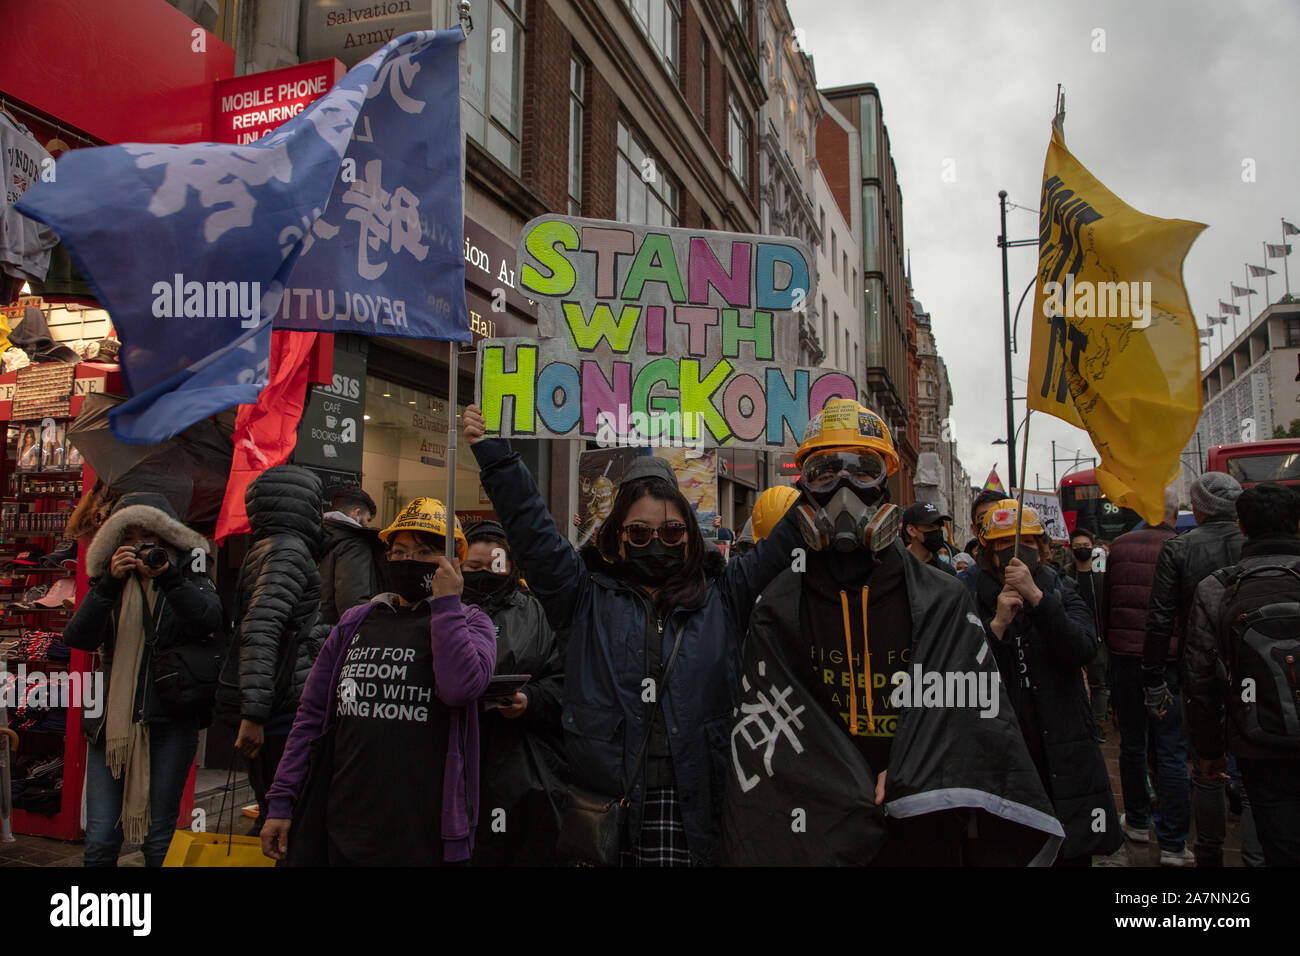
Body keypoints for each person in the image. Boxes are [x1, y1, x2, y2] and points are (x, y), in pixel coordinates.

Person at [463, 405, 807, 867]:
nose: (657, 543)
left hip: (700, 816)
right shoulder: (581, 598)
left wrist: (834, 476)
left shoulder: (724, 596)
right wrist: (496, 455)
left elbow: (785, 541)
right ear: (616, 538)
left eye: (671, 531)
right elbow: (531, 528)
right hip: (608, 817)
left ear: (690, 536)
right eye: (640, 533)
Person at [725, 404, 1064, 866]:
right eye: (824, 473)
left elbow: (969, 716)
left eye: (862, 471)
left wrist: (911, 770)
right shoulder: (778, 604)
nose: (844, 490)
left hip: (921, 830)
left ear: (885, 479)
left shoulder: (942, 599)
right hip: (818, 830)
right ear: (802, 488)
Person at [262, 498, 496, 865]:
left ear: (453, 561)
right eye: (399, 551)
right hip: (344, 820)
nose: (408, 561)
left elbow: (460, 688)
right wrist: (282, 801)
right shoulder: (357, 621)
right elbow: (311, 715)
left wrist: (447, 606)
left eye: (424, 551)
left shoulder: (471, 623)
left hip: (424, 832)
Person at [63, 492, 222, 866]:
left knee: (158, 841)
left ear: (168, 539)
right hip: (109, 726)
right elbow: (78, 638)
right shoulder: (106, 578)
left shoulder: (190, 571)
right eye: (129, 538)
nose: (139, 547)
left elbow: (208, 620)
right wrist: (108, 586)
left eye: (148, 538)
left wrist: (168, 577)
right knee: (100, 840)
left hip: (169, 719)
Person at [970, 499, 1122, 866]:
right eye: (1004, 546)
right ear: (989, 553)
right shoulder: (970, 596)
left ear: (1042, 548)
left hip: (1064, 745)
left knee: (1071, 851)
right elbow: (964, 674)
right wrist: (997, 627)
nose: (1015, 552)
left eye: (1026, 544)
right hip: (1006, 750)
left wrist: (1038, 600)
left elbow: (1083, 648)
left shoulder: (1061, 590)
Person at [1184, 482, 1300, 866]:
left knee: (1277, 842)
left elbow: (1200, 679)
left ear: (1243, 528)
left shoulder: (1217, 588)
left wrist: (1209, 751)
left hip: (1256, 738)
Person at [219, 465, 328, 837]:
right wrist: (255, 713)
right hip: (281, 707)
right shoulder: (289, 551)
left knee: (274, 806)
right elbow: (262, 627)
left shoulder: (264, 548)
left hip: (274, 700)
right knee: (283, 814)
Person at [1144, 472, 1244, 867]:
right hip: (1249, 664)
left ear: (1198, 508)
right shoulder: (1251, 543)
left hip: (1197, 665)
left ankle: (1194, 847)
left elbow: (1160, 619)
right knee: (1247, 754)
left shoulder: (1179, 548)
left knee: (1195, 757)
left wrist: (1152, 678)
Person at [461, 518, 568, 866]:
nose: (483, 573)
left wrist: (529, 701)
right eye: (473, 566)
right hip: (457, 754)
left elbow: (563, 679)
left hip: (523, 765)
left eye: (493, 565)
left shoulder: (538, 614)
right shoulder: (444, 612)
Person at [1102, 486, 1188, 864]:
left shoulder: (1118, 546)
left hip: (1125, 660)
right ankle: (1172, 842)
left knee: (1133, 743)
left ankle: (1137, 821)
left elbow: (1107, 607)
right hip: (1168, 662)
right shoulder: (1183, 546)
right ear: (1175, 511)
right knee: (1171, 749)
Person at [318, 484, 388, 627]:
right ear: (356, 514)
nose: (367, 526)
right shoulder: (355, 544)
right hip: (341, 634)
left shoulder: (319, 535)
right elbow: (352, 602)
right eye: (367, 520)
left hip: (318, 629)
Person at [1063, 526, 1108, 741]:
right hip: (1076, 634)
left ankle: (1098, 722)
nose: (1082, 549)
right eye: (1078, 546)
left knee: (1098, 682)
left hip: (1099, 635)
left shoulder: (1100, 572)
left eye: (1086, 546)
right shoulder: (1067, 574)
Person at [956, 491, 1005, 591]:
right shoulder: (963, 584)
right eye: (984, 517)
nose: (992, 522)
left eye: (998, 515)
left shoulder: (1037, 576)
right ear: (974, 529)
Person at [901, 501, 955, 576]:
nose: (937, 531)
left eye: (939, 526)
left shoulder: (946, 571)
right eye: (930, 526)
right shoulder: (897, 568)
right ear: (911, 530)